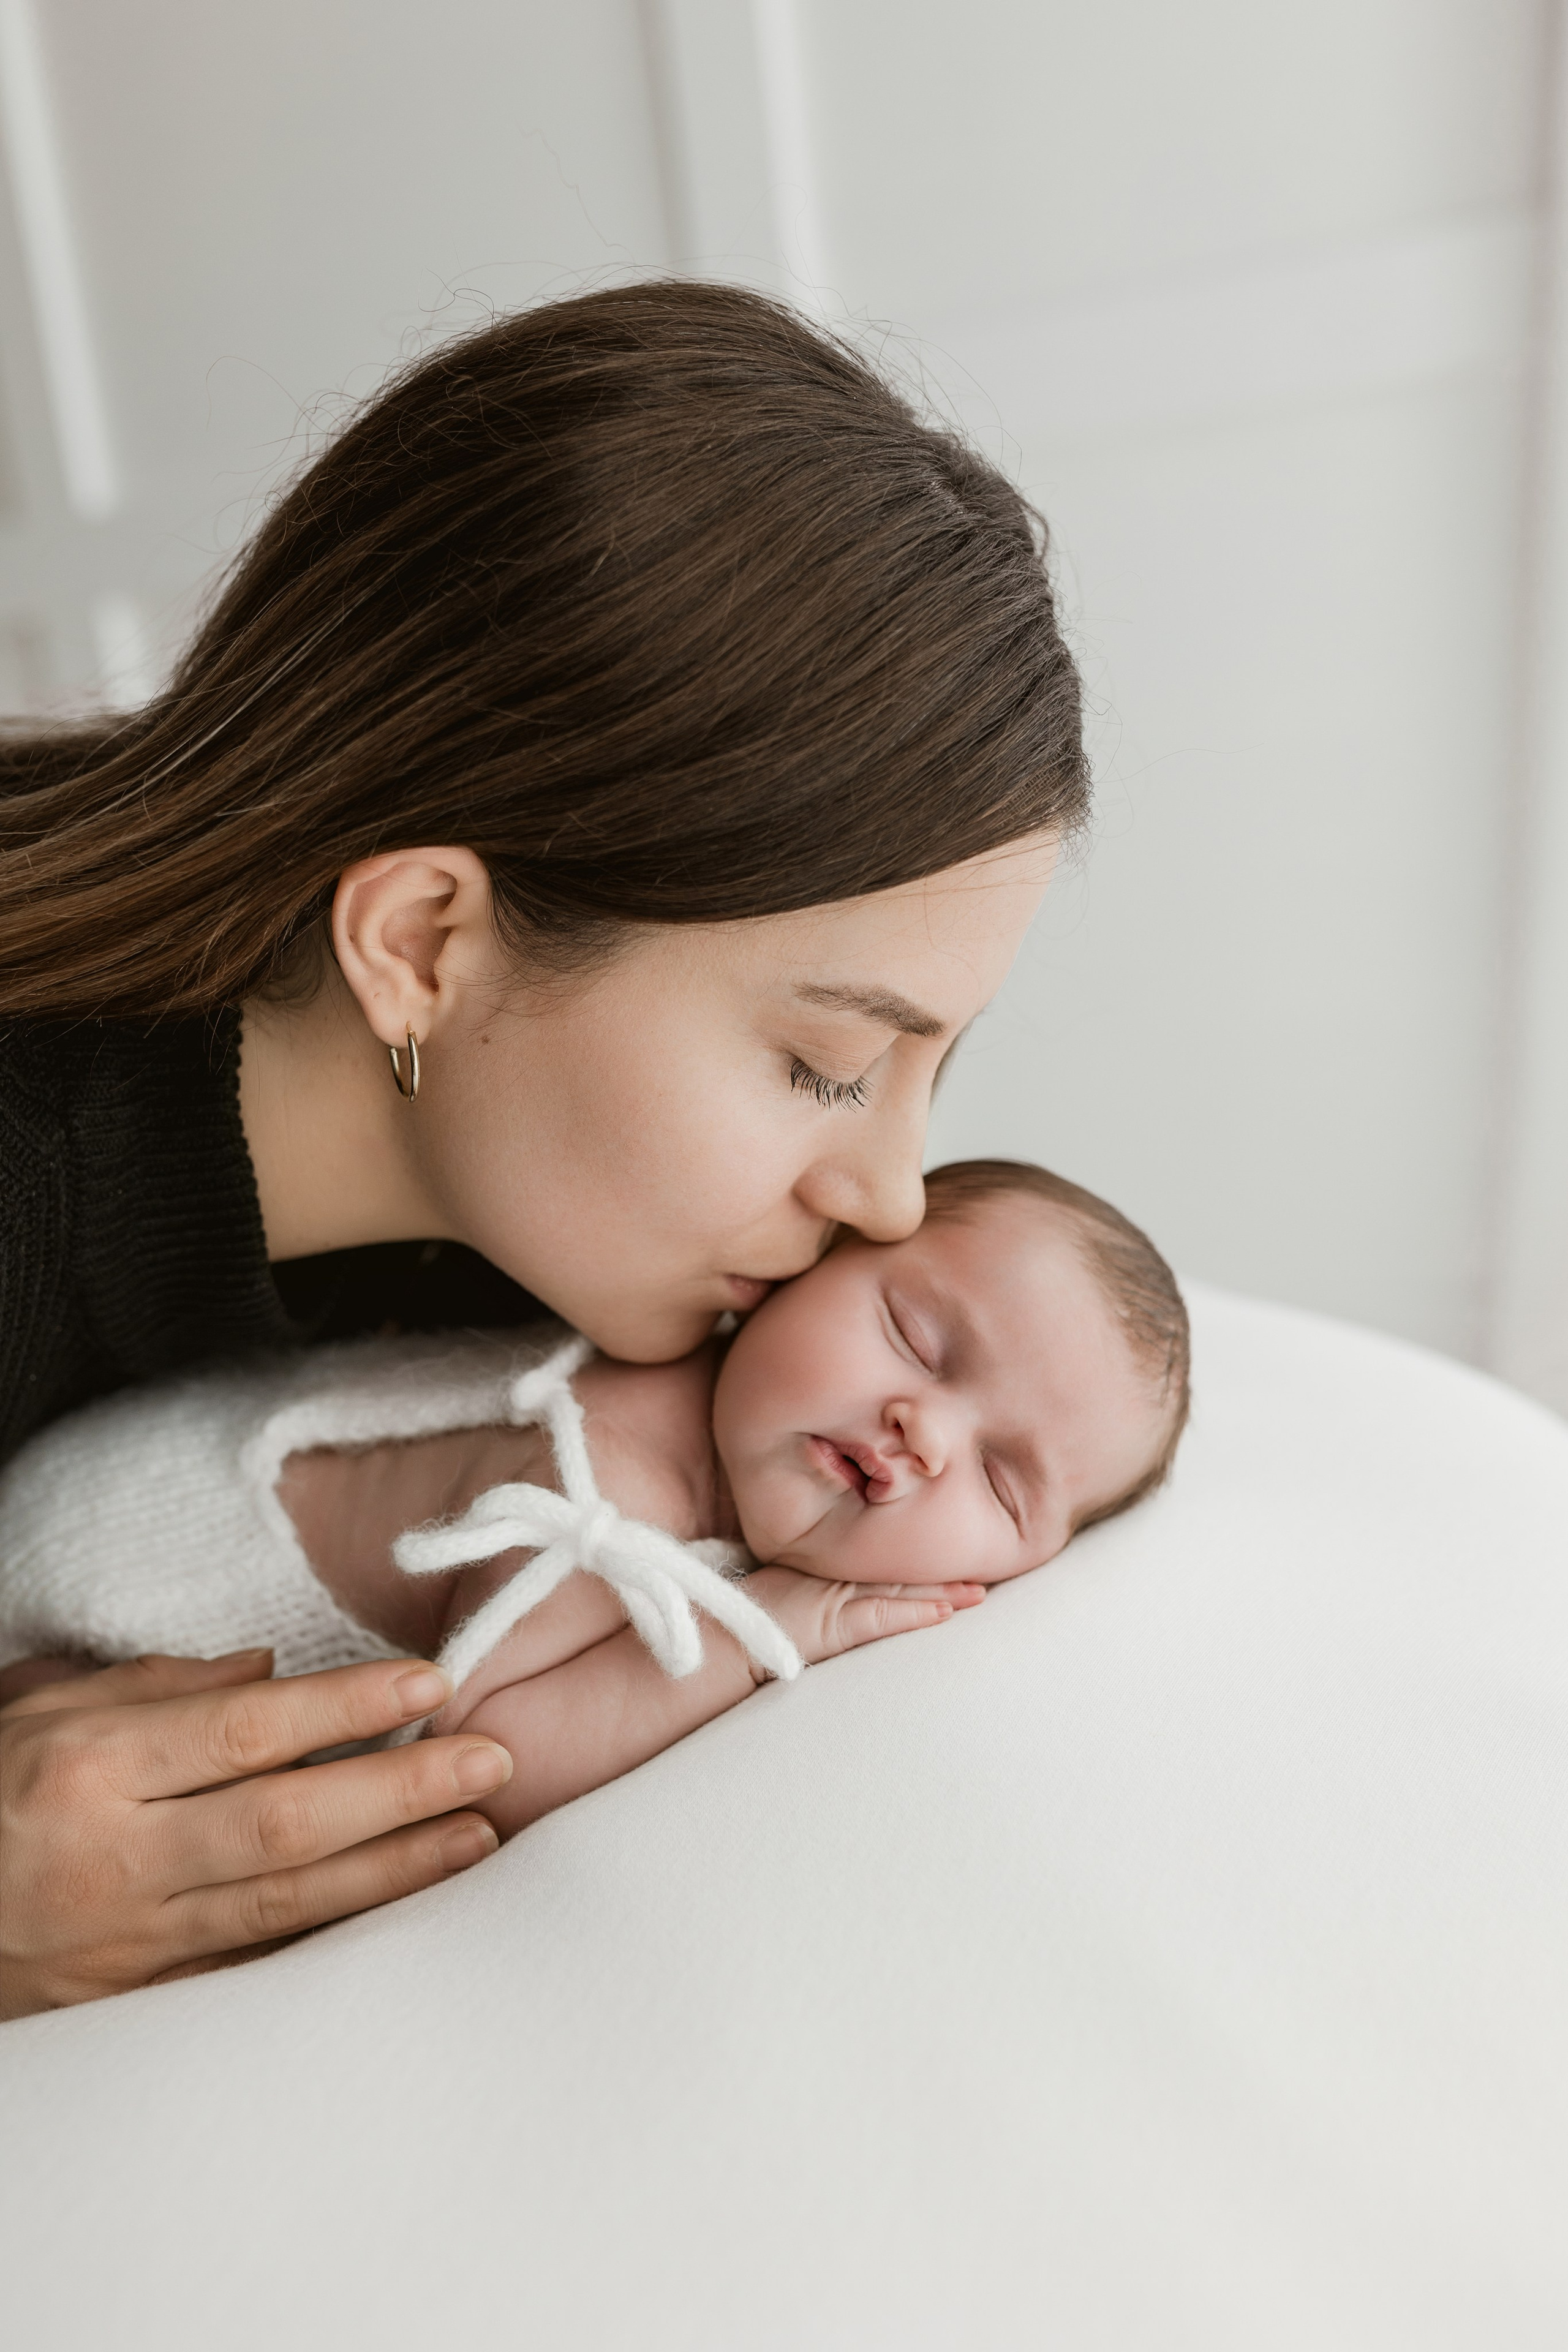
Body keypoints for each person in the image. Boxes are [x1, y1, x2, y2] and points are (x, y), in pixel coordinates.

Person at [0, 281, 1088, 2016]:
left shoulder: (542, 1271)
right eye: (823, 1063)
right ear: (423, 941)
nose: (890, 1196)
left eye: (932, 1071)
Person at [0, 1162, 1190, 1887]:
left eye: (1002, 1482)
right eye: (916, 1340)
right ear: (802, 1268)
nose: (922, 1433)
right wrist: (766, 1629)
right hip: (82, 1593)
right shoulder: (607, 1477)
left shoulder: (722, 1434)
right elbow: (478, 1762)